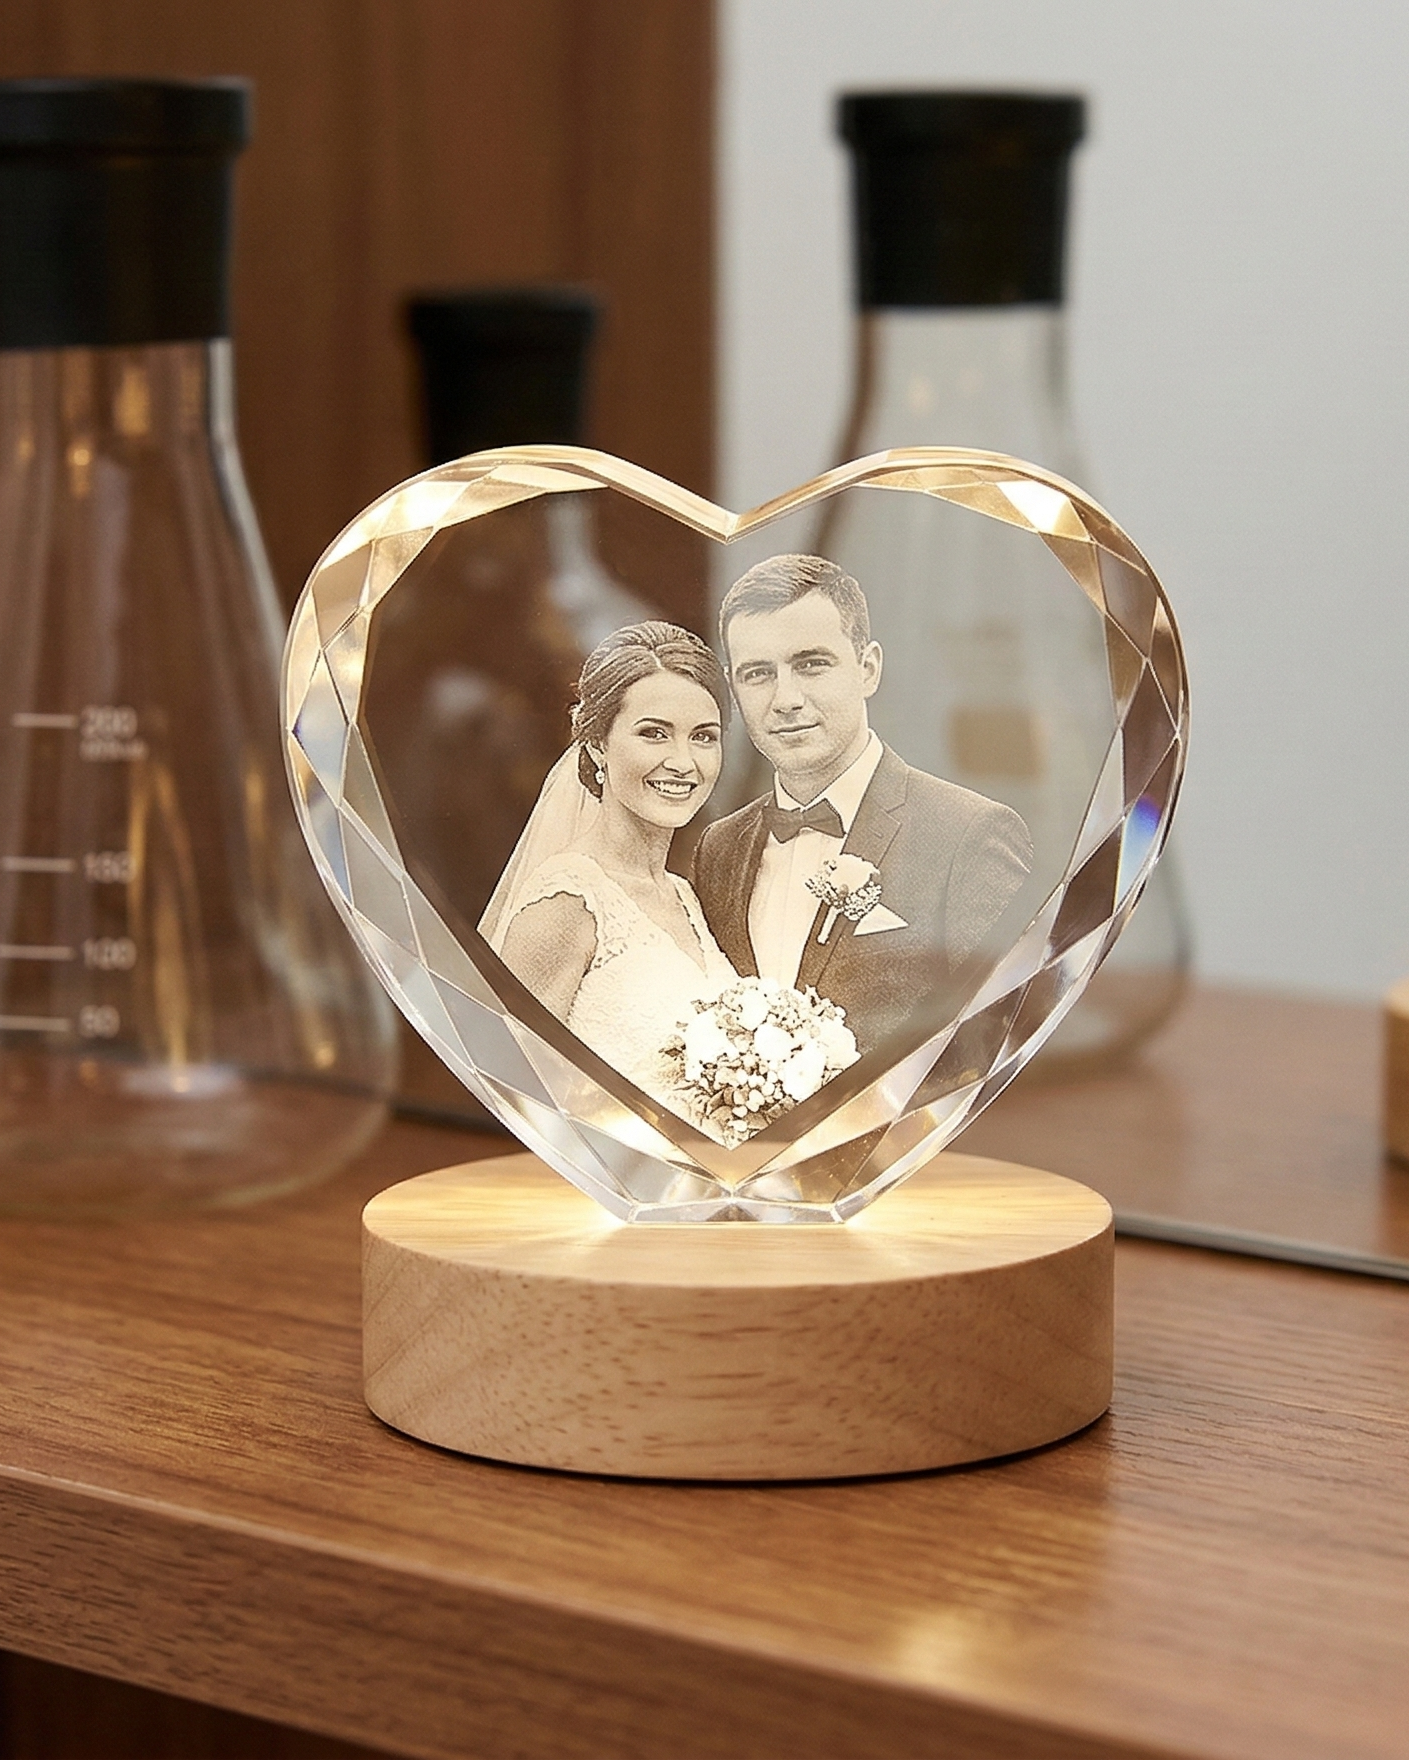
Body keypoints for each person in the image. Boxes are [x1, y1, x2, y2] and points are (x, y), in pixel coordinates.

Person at [693, 555, 1032, 1056]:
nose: (786, 698)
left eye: (811, 664)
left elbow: (1001, 1046)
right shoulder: (719, 847)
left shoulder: (970, 835)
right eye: (758, 674)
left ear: (868, 668)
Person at [480, 621, 735, 1104]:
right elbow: (513, 1094)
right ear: (598, 744)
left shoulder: (680, 893)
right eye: (654, 734)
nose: (683, 762)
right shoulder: (565, 901)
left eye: (703, 737)